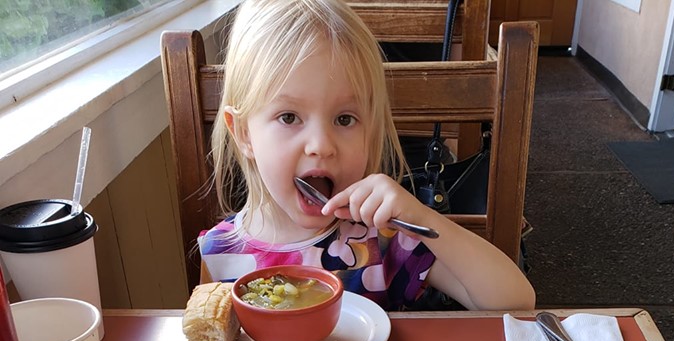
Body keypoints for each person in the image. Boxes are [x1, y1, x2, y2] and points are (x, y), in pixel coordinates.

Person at [199, 0, 536, 311]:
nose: (321, 145)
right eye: (289, 117)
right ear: (244, 133)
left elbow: (515, 302)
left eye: (344, 119)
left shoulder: (383, 240)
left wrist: (423, 218)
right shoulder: (219, 253)